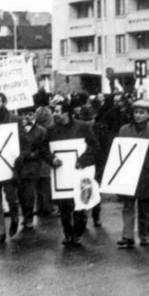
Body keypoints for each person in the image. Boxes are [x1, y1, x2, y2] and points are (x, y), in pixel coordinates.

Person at [44, 100, 99, 247]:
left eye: (57, 111)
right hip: (61, 175)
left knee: (80, 204)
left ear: (66, 113)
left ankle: (78, 233)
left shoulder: (83, 127)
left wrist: (83, 160)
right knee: (64, 206)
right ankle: (68, 233)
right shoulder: (51, 130)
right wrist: (52, 159)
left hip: (79, 171)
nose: (54, 114)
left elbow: (94, 147)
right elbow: (43, 149)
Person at [0, 93, 32, 244]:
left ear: (4, 102)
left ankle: (14, 216)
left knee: (11, 198)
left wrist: (19, 159)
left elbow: (24, 143)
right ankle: (0, 232)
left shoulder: (15, 120)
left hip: (10, 167)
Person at [116, 100, 149, 248]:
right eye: (136, 112)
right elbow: (119, 152)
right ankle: (127, 235)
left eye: (142, 112)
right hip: (128, 173)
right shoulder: (124, 130)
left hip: (146, 175)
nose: (138, 115)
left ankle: (144, 235)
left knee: (145, 207)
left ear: (148, 114)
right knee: (128, 206)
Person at [16, 105, 49, 231]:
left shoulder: (40, 130)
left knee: (29, 192)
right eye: (25, 114)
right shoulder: (18, 130)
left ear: (34, 115)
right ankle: (25, 215)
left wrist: (34, 155)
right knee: (21, 192)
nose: (27, 117)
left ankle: (29, 218)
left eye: (30, 114)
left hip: (33, 165)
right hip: (19, 165)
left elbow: (43, 147)